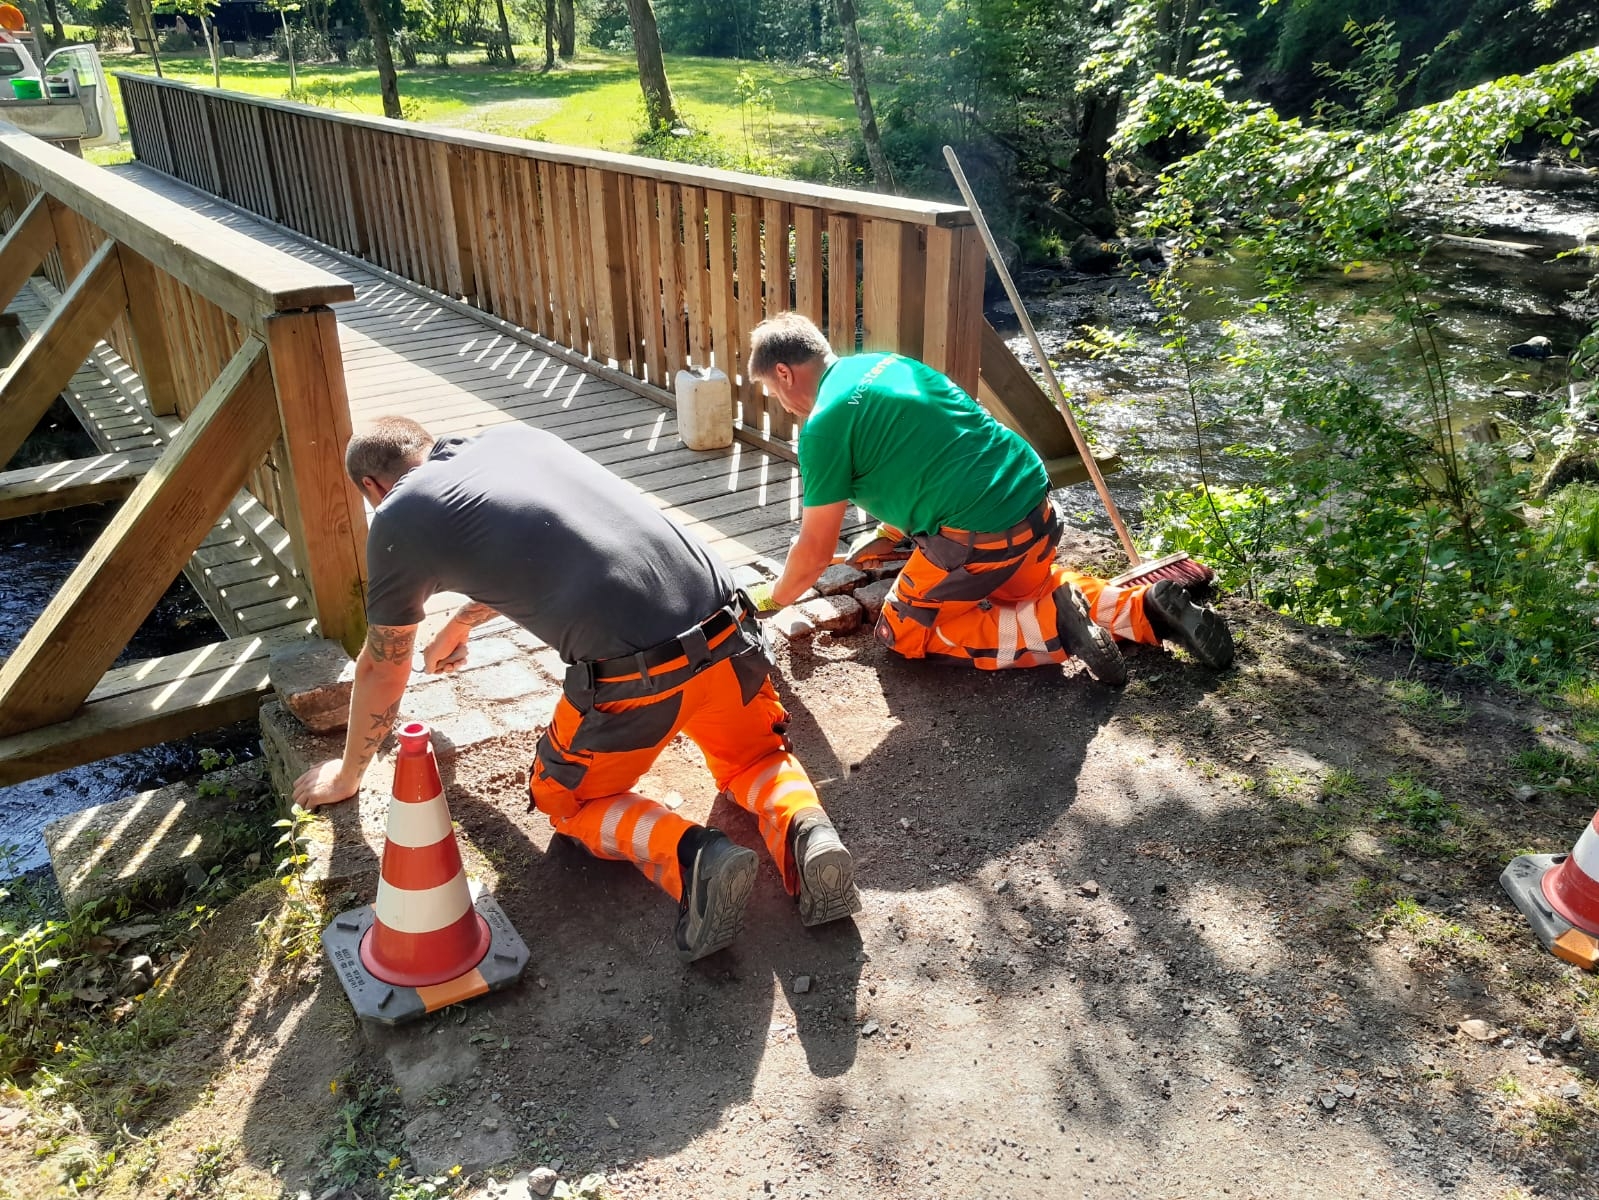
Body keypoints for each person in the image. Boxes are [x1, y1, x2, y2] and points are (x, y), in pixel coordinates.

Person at [292, 416, 859, 962]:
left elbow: (383, 666)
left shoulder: (396, 515)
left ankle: (692, 855)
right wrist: (462, 622)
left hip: (642, 679)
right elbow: (552, 547)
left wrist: (347, 775)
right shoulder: (515, 441)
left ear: (371, 486)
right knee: (755, 758)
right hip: (733, 638)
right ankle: (808, 832)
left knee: (565, 799)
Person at [745, 312, 1233, 683]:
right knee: (1022, 591)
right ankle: (1147, 609)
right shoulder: (888, 363)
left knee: (905, 631)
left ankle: (1057, 630)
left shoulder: (823, 427)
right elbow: (939, 450)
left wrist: (772, 599)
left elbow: (813, 553)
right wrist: (890, 533)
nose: (783, 404)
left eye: (772, 391)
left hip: (982, 537)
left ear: (784, 373)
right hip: (1035, 507)